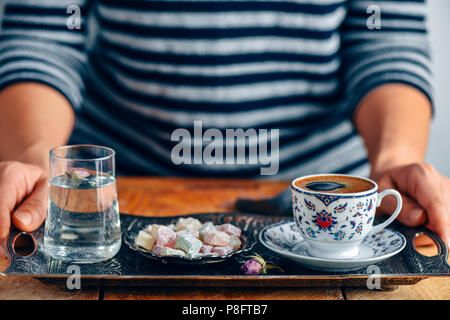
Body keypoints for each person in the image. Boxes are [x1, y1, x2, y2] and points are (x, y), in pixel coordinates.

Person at [0, 0, 448, 245]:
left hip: (319, 193)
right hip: (116, 190)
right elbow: (44, 34)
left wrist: (395, 157)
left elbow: (385, 37)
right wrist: (34, 155)